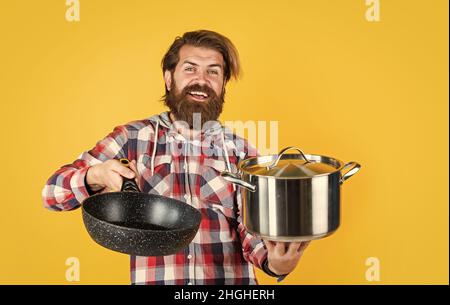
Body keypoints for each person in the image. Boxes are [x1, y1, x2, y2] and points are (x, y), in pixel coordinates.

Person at [42, 30, 309, 285]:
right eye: (190, 68)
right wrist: (96, 175)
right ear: (169, 78)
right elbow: (52, 194)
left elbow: (254, 236)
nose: (201, 80)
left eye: (213, 72)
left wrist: (278, 264)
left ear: (223, 84)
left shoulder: (241, 152)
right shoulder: (131, 139)